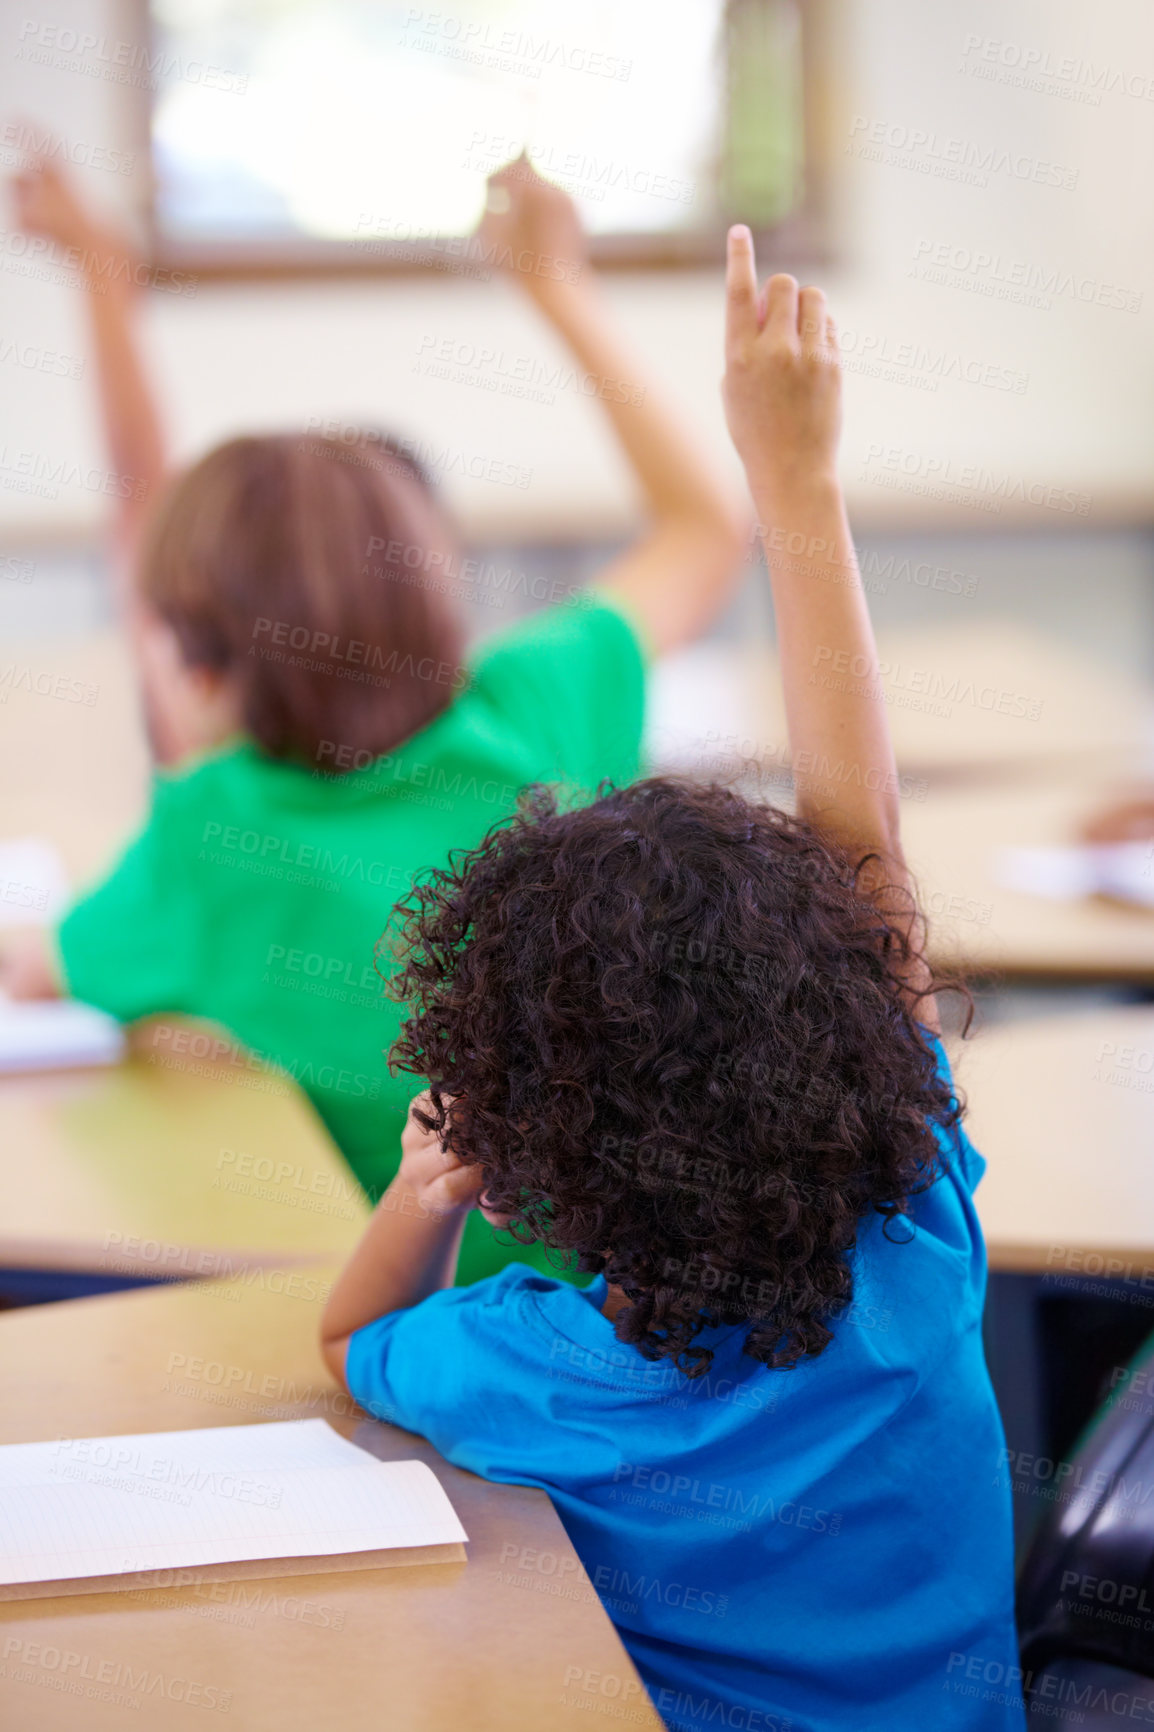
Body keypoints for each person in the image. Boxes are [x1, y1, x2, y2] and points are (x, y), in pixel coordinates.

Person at [320, 234, 1023, 1731]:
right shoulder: (916, 1235)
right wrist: (798, 483)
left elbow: (341, 1349)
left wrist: (424, 1191)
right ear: (841, 1040)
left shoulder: (522, 1367)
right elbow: (866, 855)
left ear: (512, 1160)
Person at [0, 158, 750, 1288]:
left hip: (409, 1332)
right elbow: (706, 525)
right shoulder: (538, 701)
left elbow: (49, 965)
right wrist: (557, 286)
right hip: (645, 1298)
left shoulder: (208, 825)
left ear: (194, 658)